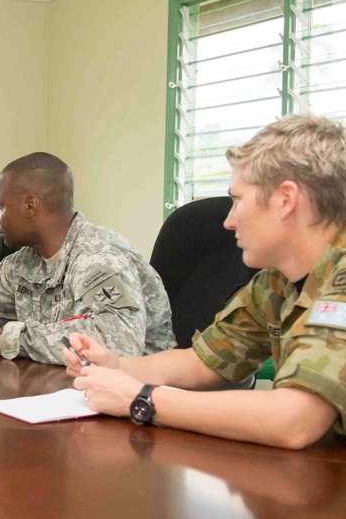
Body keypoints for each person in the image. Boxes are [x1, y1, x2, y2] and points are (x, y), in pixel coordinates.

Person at [65, 113, 346, 449]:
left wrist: (141, 399)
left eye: (237, 199)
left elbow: (295, 420)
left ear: (285, 200)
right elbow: (202, 361)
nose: (228, 221)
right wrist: (119, 366)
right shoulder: (276, 282)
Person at [0, 152, 175, 364]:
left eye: (0, 205)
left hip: (142, 401)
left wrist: (7, 340)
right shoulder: (23, 262)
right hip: (63, 389)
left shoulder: (99, 258)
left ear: (30, 206)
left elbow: (117, 342)